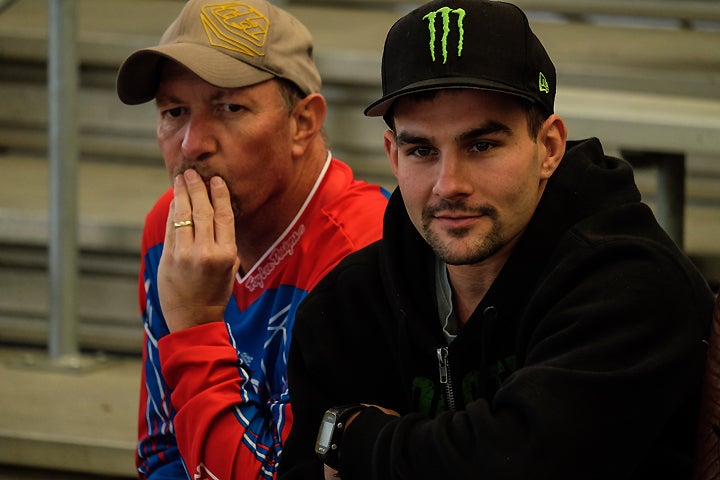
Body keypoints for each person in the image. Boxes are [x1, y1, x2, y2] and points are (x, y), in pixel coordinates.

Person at [278, 1, 715, 479]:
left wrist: (360, 442)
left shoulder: (631, 284)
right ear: (393, 155)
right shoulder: (348, 305)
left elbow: (527, 461)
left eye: (482, 145)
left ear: (548, 148)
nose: (449, 184)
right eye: (421, 149)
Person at [115, 1, 389, 478]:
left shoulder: (364, 248)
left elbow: (285, 474)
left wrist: (196, 325)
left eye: (229, 107)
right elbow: (162, 451)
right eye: (174, 111)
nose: (192, 143)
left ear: (303, 123)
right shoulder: (172, 226)